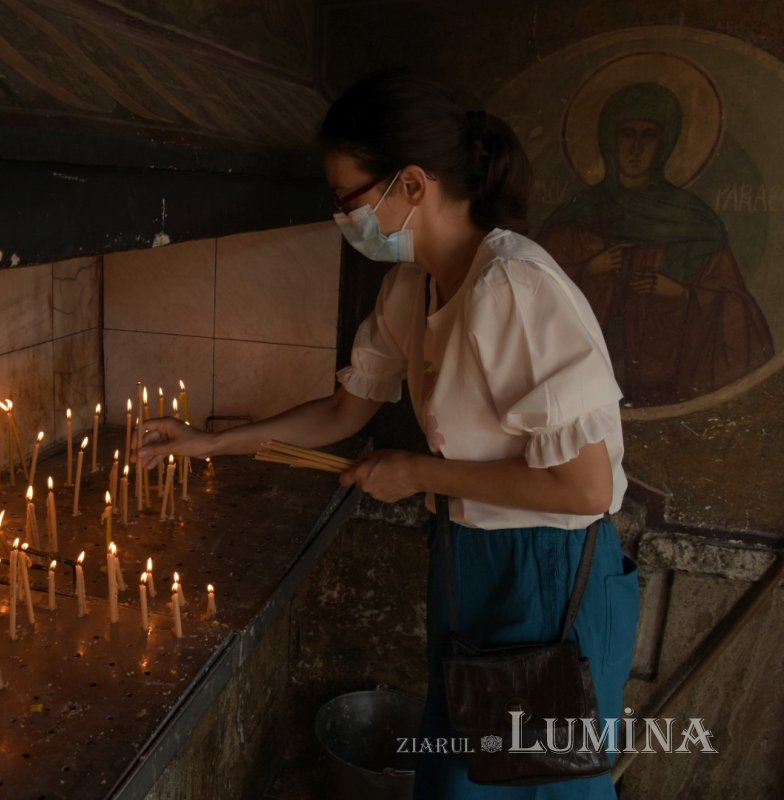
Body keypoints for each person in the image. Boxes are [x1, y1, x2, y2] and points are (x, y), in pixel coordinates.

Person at [135, 71, 641, 798]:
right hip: (469, 560)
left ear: (411, 184)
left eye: (349, 198)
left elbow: (586, 487)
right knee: (458, 778)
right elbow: (345, 413)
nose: (344, 217)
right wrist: (206, 442)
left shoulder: (515, 292)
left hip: (547, 576)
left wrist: (420, 473)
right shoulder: (414, 283)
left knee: (533, 785)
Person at [538, 82, 773, 406]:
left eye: (647, 136)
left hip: (664, 383)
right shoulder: (577, 216)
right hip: (577, 394)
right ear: (609, 140)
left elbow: (737, 312)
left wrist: (682, 293)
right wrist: (587, 270)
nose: (635, 148)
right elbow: (530, 293)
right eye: (626, 134)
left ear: (665, 144)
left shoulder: (696, 223)